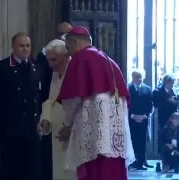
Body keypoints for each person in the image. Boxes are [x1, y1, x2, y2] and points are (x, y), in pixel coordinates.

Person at [56, 26, 135, 180]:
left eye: (68, 47)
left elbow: (73, 99)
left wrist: (68, 125)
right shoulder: (108, 60)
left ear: (74, 42)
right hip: (114, 136)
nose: (68, 52)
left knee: (95, 172)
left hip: (93, 136)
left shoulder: (80, 59)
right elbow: (124, 100)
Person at [0, 32, 48, 180]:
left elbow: (41, 98)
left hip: (33, 130)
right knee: (11, 172)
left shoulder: (37, 68)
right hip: (11, 132)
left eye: (28, 46)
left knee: (32, 172)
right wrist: (4, 124)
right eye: (21, 46)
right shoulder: (2, 67)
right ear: (13, 47)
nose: (25, 49)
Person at [36, 22, 72, 180]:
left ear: (66, 56)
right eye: (49, 60)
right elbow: (50, 101)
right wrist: (45, 120)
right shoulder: (54, 73)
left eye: (54, 60)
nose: (50, 65)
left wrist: (72, 128)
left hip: (72, 134)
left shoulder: (75, 72)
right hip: (56, 132)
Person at [128, 69, 153, 170]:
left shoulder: (147, 89)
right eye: (137, 77)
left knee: (142, 142)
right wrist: (132, 115)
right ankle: (131, 162)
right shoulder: (127, 88)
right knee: (132, 141)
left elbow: (150, 105)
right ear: (133, 78)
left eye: (140, 77)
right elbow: (125, 104)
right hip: (131, 120)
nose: (139, 79)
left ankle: (140, 163)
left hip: (143, 119)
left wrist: (145, 115)